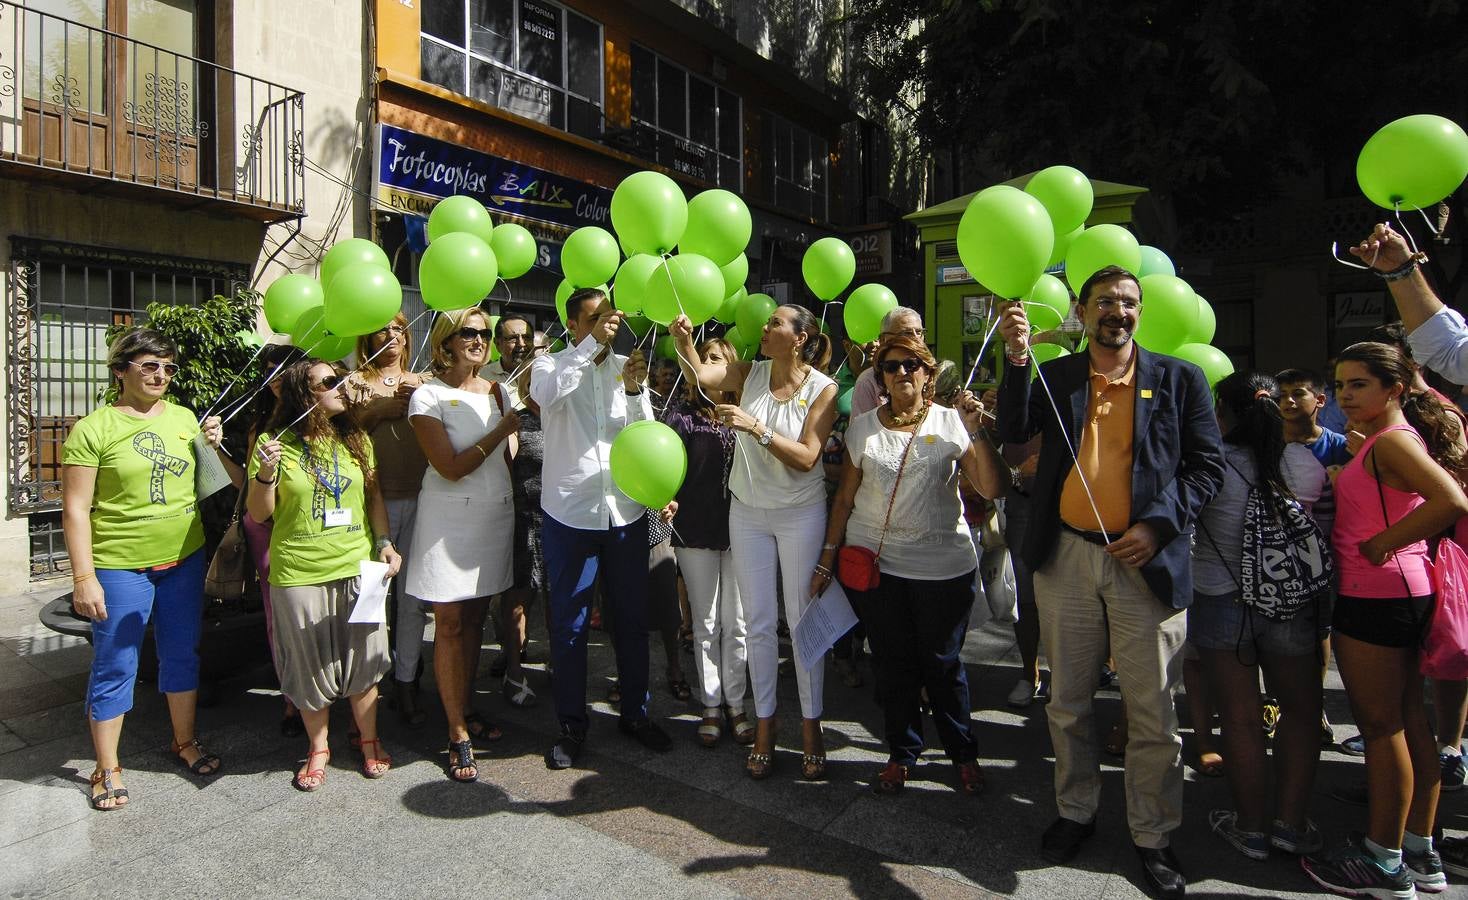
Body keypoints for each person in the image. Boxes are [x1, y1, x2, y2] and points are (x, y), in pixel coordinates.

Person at [997, 266, 1224, 900]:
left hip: (1143, 563)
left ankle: (1153, 834)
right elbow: (1012, 434)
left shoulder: (1182, 381)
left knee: (1151, 711)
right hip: (1066, 558)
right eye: (1103, 303)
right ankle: (1076, 811)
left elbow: (1207, 469)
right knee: (1066, 701)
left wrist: (1158, 527)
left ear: (1141, 312)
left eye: (1127, 303)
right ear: (1082, 310)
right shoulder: (1060, 375)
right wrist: (1017, 358)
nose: (1116, 313)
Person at [1302, 341, 1468, 898]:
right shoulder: (1385, 440)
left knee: (1381, 728)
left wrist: (1380, 546)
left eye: (1359, 385)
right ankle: (1418, 850)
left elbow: (1452, 501)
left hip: (1379, 593)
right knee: (1407, 721)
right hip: (1398, 590)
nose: (1345, 395)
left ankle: (1383, 861)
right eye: (1342, 385)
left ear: (1395, 388)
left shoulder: (1393, 442)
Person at [819, 334, 1005, 794]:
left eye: (911, 365)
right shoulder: (862, 427)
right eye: (890, 366)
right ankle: (902, 753)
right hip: (878, 565)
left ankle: (963, 753)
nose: (901, 373)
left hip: (943, 565)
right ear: (879, 377)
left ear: (928, 373)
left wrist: (976, 429)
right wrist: (826, 558)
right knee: (893, 664)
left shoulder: (952, 421)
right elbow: (844, 498)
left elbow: (988, 487)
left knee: (941, 664)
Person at [671, 304, 840, 781]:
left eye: (776, 323)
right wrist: (685, 341)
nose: (764, 327)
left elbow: (808, 458)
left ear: (801, 338)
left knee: (802, 622)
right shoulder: (751, 371)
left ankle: (811, 727)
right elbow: (704, 375)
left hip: (800, 514)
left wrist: (755, 427)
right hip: (747, 512)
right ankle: (765, 725)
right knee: (760, 624)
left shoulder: (823, 389)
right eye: (766, 322)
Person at [62, 328, 227, 810]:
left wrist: (211, 446)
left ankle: (183, 741)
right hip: (119, 565)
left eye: (169, 367)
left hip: (183, 559)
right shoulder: (94, 428)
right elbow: (74, 509)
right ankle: (107, 766)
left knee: (182, 654)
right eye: (149, 365)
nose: (161, 375)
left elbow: (206, 484)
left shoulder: (183, 417)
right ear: (121, 372)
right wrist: (82, 577)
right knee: (117, 663)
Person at [1189, 372, 1329, 861]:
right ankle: (1290, 823)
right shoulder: (1303, 465)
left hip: (1220, 601)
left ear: (1221, 413)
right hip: (1291, 603)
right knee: (1301, 712)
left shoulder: (1209, 468)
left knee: (1241, 719)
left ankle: (1250, 830)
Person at [529, 287, 671, 770]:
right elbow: (547, 396)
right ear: (573, 324)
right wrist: (591, 347)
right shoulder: (550, 364)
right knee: (568, 626)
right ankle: (571, 725)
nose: (607, 325)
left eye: (610, 317)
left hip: (624, 512)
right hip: (570, 513)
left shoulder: (623, 368)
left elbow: (644, 435)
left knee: (631, 622)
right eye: (595, 318)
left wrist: (633, 390)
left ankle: (636, 712)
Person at [247, 359, 403, 792]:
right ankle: (319, 747)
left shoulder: (357, 439)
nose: (342, 387)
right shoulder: (274, 442)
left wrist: (385, 543)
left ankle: (369, 739)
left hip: (358, 566)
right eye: (330, 382)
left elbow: (374, 499)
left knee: (367, 657)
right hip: (299, 572)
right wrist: (264, 473)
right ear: (305, 393)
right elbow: (260, 514)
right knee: (309, 661)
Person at [406, 307, 519, 782]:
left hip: (494, 512)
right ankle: (455, 732)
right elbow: (449, 466)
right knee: (449, 622)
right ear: (446, 340)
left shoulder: (499, 389)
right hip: (448, 519)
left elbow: (510, 459)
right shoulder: (427, 395)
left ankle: (467, 708)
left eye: (484, 333)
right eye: (468, 332)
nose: (479, 339)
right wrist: (501, 431)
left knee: (475, 618)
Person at [345, 314, 430, 728]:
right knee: (371, 600)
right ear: (368, 337)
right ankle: (368, 685)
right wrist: (373, 411)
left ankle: (408, 679)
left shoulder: (422, 381)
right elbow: (334, 435)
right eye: (381, 329)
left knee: (413, 602)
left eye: (399, 329)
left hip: (423, 499)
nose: (391, 337)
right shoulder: (353, 383)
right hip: (372, 504)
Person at [665, 337, 749, 747]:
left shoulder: (748, 413)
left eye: (718, 359)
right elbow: (664, 467)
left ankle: (737, 703)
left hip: (742, 529)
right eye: (705, 358)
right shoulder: (682, 417)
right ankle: (711, 705)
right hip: (695, 528)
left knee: (738, 625)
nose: (709, 365)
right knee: (706, 622)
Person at [497, 329, 551, 707]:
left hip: (561, 519)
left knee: (558, 600)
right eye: (532, 379)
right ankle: (514, 671)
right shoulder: (514, 419)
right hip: (521, 517)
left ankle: (560, 666)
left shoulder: (566, 416)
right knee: (517, 599)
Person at [850, 306, 925, 417]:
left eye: (919, 332)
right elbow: (860, 430)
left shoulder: (930, 371)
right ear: (883, 339)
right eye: (907, 333)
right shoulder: (867, 381)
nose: (916, 339)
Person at [483, 313, 533, 408]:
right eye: (513, 338)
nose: (521, 344)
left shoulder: (546, 375)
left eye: (527, 337)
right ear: (497, 344)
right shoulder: (482, 377)